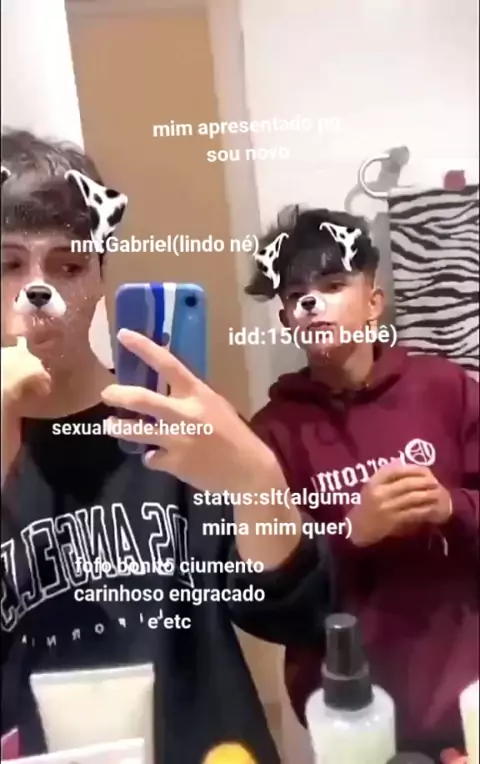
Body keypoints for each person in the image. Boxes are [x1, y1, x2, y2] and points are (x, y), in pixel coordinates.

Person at [0, 132, 333, 764]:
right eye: (8, 264)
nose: (37, 293)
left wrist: (258, 480)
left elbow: (292, 617)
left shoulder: (172, 423)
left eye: (68, 266)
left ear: (101, 278)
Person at [246, 205, 479, 759]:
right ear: (285, 317)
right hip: (351, 721)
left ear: (374, 302)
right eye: (296, 294)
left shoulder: (445, 389)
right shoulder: (269, 436)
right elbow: (267, 597)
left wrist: (452, 507)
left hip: (470, 700)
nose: (313, 302)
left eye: (332, 285)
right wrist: (351, 535)